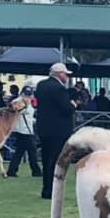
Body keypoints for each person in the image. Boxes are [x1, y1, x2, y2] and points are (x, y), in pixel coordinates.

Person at [35, 62, 77, 200]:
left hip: (44, 129)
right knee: (56, 160)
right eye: (65, 74)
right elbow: (66, 108)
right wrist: (73, 105)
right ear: (60, 74)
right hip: (58, 131)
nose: (67, 77)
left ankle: (46, 189)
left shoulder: (41, 85)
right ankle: (52, 189)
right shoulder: (59, 89)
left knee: (46, 159)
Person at [5, 86, 42, 178]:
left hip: (27, 129)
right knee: (32, 151)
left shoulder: (28, 102)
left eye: (29, 94)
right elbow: (17, 111)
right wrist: (25, 104)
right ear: (22, 93)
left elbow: (29, 115)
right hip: (23, 130)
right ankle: (36, 171)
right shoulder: (18, 101)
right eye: (26, 94)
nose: (28, 96)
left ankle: (11, 171)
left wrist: (35, 120)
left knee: (19, 152)